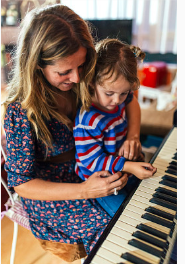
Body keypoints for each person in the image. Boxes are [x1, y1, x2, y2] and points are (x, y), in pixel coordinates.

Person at [2, 4, 125, 260]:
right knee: (116, 229)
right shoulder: (20, 111)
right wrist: (85, 190)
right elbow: (22, 184)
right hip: (52, 189)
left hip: (90, 165)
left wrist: (133, 136)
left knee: (139, 203)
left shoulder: (86, 77)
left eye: (81, 66)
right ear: (36, 65)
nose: (77, 78)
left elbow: (130, 97)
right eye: (64, 72)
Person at [74, 38, 157, 217]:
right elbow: (92, 161)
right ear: (91, 82)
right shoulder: (88, 120)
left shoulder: (119, 96)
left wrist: (132, 138)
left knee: (149, 196)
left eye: (124, 93)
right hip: (100, 178)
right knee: (127, 215)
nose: (117, 101)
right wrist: (129, 167)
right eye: (109, 93)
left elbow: (131, 101)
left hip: (122, 167)